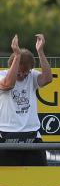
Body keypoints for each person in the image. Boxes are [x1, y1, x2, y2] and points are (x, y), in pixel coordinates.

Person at [0, 35, 53, 166]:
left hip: (32, 136)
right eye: (19, 73)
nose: (23, 76)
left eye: (26, 73)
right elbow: (8, 84)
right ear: (13, 65)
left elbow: (47, 78)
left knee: (39, 179)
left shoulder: (32, 76)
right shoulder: (2, 76)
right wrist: (17, 55)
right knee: (7, 181)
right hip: (7, 136)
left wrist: (40, 51)